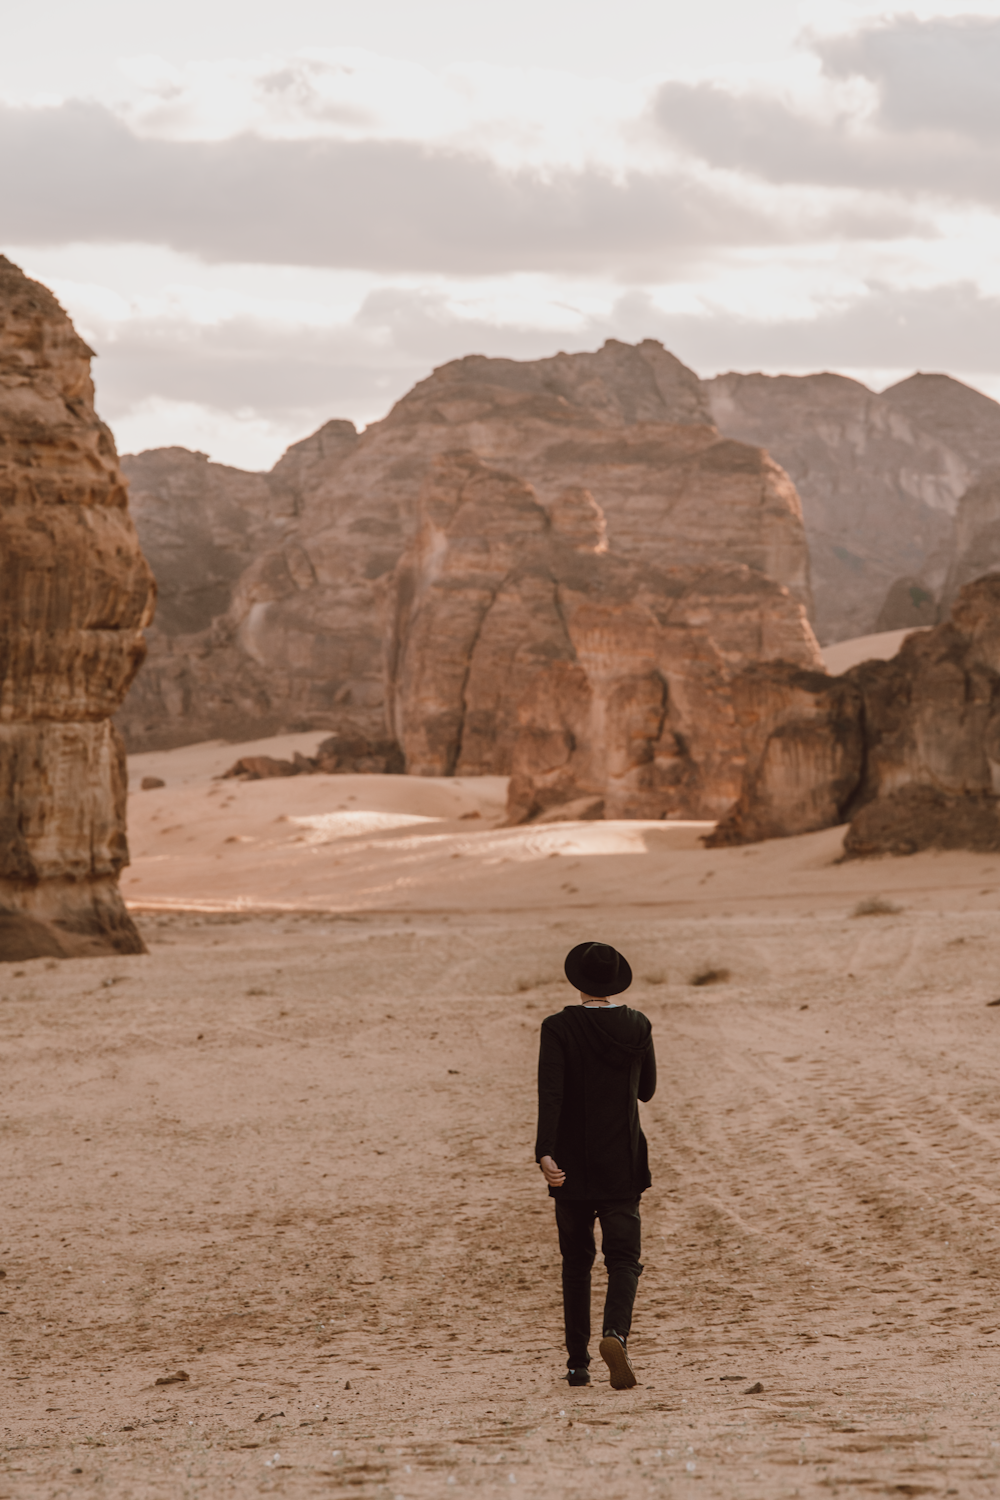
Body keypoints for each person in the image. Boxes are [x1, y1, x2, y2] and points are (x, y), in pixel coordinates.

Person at [535, 941, 656, 1390]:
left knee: (576, 1262)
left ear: (577, 981)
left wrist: (544, 1152)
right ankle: (615, 1333)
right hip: (622, 1159)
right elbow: (646, 1090)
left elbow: (551, 1094)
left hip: (569, 1163)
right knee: (624, 1258)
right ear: (616, 980)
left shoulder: (557, 1027)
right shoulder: (638, 1025)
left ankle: (576, 1364)